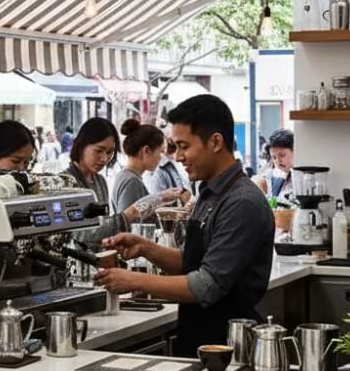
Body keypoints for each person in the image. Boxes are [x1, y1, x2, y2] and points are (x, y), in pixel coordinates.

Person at [95, 95, 274, 357]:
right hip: (199, 336)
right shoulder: (211, 193)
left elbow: (207, 284)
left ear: (215, 142)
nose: (177, 157)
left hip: (228, 347)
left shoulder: (242, 203)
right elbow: (195, 262)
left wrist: (134, 280)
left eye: (183, 146)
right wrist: (146, 248)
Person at [66, 118, 177, 247]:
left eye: (109, 152)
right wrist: (133, 212)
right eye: (98, 150)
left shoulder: (99, 181)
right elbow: (83, 233)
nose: (104, 158)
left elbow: (104, 226)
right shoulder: (65, 182)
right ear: (82, 146)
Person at [113, 119, 186, 216]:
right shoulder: (131, 181)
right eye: (161, 152)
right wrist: (161, 197)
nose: (162, 157)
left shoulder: (128, 177)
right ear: (146, 150)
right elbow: (127, 221)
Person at [265, 129, 295, 199]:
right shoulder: (273, 177)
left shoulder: (301, 178)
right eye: (274, 157)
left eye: (282, 155)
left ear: (294, 151)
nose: (278, 161)